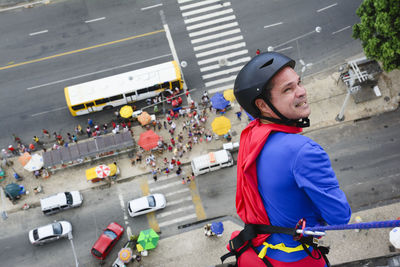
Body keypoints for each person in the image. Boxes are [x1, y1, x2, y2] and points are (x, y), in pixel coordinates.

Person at [227, 52, 351, 266]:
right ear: (263, 105)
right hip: (298, 259)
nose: (302, 92)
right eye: (288, 89)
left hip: (264, 251)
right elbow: (339, 216)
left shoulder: (252, 137)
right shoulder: (304, 151)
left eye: (299, 83)